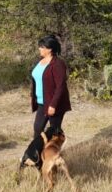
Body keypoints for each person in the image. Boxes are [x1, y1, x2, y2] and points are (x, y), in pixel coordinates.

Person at [19, 34, 72, 170]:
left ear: (50, 49)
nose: (39, 49)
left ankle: (53, 160)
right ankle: (37, 158)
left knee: (54, 133)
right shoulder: (41, 61)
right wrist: (32, 95)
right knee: (38, 128)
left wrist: (53, 105)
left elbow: (60, 86)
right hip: (42, 103)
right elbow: (36, 79)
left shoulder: (58, 64)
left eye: (42, 47)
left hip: (55, 104)